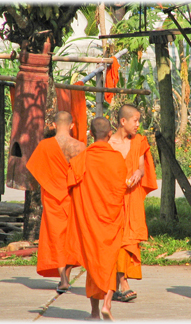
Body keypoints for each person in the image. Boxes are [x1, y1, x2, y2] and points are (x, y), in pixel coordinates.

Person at [65, 117, 127, 320]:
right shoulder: (117, 158)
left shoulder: (81, 159)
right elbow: (121, 188)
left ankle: (93, 312)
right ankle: (107, 304)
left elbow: (70, 185)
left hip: (89, 219)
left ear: (90, 134)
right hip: (111, 217)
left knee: (93, 261)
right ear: (110, 134)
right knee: (109, 261)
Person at [26, 111, 86, 293]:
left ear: (53, 125)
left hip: (53, 197)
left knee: (56, 237)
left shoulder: (45, 146)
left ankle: (63, 278)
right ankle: (65, 275)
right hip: (73, 197)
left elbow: (34, 172)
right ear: (72, 126)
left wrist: (48, 181)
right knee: (72, 237)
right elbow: (84, 174)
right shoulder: (80, 146)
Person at [108, 104, 158, 302]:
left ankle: (122, 283)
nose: (138, 124)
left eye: (139, 120)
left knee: (127, 241)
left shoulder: (138, 141)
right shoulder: (108, 143)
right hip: (113, 200)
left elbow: (140, 168)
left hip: (132, 198)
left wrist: (138, 173)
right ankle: (120, 283)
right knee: (117, 241)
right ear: (123, 121)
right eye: (135, 120)